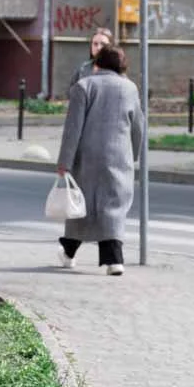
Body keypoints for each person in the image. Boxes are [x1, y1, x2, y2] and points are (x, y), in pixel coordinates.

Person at [56, 43, 143, 276]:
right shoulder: (130, 89)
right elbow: (138, 128)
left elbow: (72, 129)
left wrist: (64, 162)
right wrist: (133, 155)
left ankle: (68, 254)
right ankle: (114, 260)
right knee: (112, 207)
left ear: (97, 63)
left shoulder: (83, 87)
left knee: (81, 206)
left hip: (86, 157)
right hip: (119, 157)